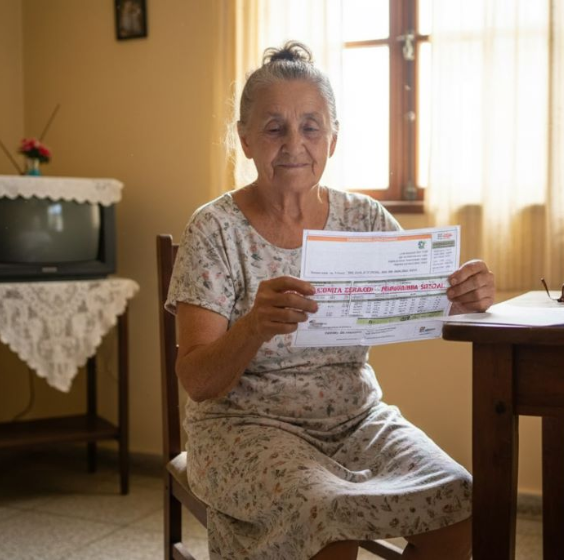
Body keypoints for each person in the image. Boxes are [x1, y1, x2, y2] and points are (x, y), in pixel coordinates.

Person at [165, 41, 495, 560]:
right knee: (326, 514)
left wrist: (468, 294)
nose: (294, 143)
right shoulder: (215, 229)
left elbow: (427, 300)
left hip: (356, 418)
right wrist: (253, 326)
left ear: (333, 140)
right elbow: (197, 380)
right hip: (241, 429)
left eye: (311, 127)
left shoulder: (363, 220)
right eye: (274, 127)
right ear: (245, 140)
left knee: (461, 497)